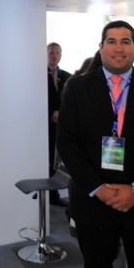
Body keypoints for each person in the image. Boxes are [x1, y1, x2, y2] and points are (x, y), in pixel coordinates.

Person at [56, 20, 134, 268]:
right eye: (111, 41)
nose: (119, 48)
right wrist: (97, 188)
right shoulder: (77, 88)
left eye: (126, 41)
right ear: (101, 47)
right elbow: (67, 143)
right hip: (93, 205)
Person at [47, 42, 71, 206]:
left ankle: (55, 193)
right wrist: (51, 113)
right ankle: (49, 193)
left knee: (58, 158)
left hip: (62, 124)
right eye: (51, 52)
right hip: (43, 124)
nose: (54, 55)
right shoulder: (37, 74)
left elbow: (70, 99)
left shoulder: (68, 76)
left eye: (57, 53)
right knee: (47, 157)